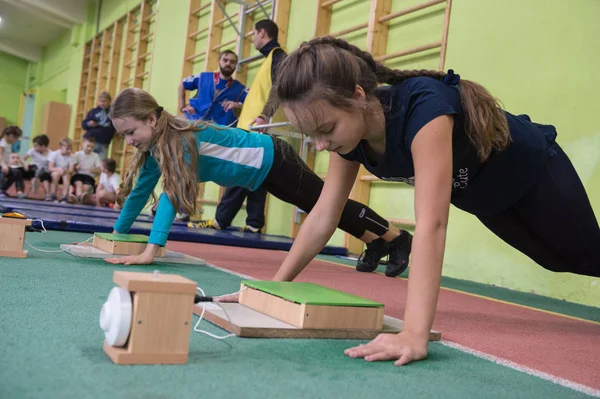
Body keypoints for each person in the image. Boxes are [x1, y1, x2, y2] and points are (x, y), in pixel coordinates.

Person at [262, 36, 600, 366]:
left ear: (358, 96)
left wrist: (413, 333)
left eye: (326, 129)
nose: (320, 145)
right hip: (486, 198)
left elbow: (431, 225)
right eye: (312, 136)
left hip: (537, 171)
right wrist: (272, 289)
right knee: (554, 260)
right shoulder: (348, 141)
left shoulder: (424, 111)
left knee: (588, 253)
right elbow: (324, 214)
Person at [103, 87, 413, 278]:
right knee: (319, 206)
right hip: (261, 173)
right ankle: (374, 241)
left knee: (327, 206)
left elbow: (171, 194)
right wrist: (116, 234)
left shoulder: (178, 140)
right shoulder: (157, 148)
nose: (128, 141)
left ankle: (396, 238)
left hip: (272, 158)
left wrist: (151, 250)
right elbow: (140, 192)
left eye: (131, 133)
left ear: (152, 120)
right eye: (124, 136)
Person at [195, 19, 286, 234]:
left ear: (262, 33)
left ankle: (220, 220)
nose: (252, 38)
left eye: (253, 34)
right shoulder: (269, 59)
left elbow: (281, 87)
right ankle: (254, 223)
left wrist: (264, 116)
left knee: (240, 172)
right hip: (252, 127)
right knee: (256, 174)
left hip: (257, 128)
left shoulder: (278, 55)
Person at [179, 50, 248, 127]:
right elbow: (182, 84)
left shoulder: (240, 89)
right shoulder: (202, 77)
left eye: (232, 62)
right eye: (225, 60)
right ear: (219, 62)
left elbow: (253, 104)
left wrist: (238, 105)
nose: (228, 63)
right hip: (194, 122)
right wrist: (182, 107)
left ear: (235, 65)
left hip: (220, 130)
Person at [82, 91, 115, 160]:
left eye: (104, 101)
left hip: (104, 143)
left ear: (109, 101)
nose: (102, 103)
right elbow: (84, 125)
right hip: (90, 141)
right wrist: (89, 123)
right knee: (85, 162)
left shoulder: (113, 112)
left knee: (100, 166)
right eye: (100, 101)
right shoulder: (93, 111)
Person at [69, 137, 101, 204]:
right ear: (83, 145)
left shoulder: (95, 156)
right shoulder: (77, 154)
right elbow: (72, 168)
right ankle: (80, 197)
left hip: (89, 176)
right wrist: (76, 167)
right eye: (88, 146)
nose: (89, 148)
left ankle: (80, 199)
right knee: (79, 184)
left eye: (92, 147)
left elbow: (99, 170)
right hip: (78, 175)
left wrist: (94, 170)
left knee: (86, 187)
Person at [23, 134, 52, 200]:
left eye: (36, 146)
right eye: (34, 145)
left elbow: (51, 165)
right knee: (34, 169)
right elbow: (23, 159)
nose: (34, 147)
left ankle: (48, 194)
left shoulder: (51, 153)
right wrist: (25, 164)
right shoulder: (32, 150)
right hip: (33, 168)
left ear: (44, 146)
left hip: (44, 171)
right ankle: (36, 177)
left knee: (45, 176)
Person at [0, 125, 23, 198]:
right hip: (1, 165)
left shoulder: (9, 144)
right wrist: (3, 165)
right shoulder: (2, 143)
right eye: (17, 138)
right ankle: (0, 190)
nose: (17, 140)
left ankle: (18, 191)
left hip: (5, 165)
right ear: (11, 136)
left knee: (17, 172)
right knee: (2, 171)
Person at [48, 137, 74, 203]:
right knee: (56, 175)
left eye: (70, 149)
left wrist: (65, 170)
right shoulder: (54, 154)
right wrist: (59, 169)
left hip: (65, 173)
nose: (69, 151)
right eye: (67, 149)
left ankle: (64, 196)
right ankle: (53, 195)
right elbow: (50, 168)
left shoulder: (71, 156)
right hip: (55, 172)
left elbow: (71, 170)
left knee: (67, 176)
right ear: (60, 147)